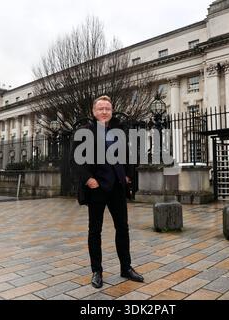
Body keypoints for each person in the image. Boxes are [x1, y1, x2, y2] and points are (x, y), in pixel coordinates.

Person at [73, 95, 144, 289]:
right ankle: (97, 271)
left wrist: (128, 175)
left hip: (118, 187)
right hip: (97, 188)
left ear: (111, 110)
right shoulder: (84, 132)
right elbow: (77, 160)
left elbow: (130, 154)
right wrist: (88, 179)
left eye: (108, 108)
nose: (105, 111)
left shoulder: (120, 130)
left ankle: (126, 268)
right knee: (95, 230)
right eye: (101, 108)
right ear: (94, 112)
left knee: (123, 228)